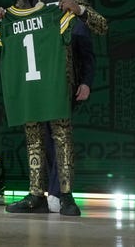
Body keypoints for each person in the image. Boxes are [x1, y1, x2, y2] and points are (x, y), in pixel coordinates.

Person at [0, 0, 108, 217]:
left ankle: (66, 195)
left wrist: (79, 10)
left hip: (61, 77)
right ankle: (36, 196)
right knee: (33, 137)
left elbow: (100, 27)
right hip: (30, 80)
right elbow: (11, 35)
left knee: (61, 135)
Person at [44, 20, 95, 213]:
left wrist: (86, 81)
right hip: (37, 87)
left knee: (60, 138)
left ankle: (60, 193)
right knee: (43, 141)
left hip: (64, 86)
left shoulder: (73, 17)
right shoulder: (31, 8)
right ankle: (50, 192)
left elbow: (86, 54)